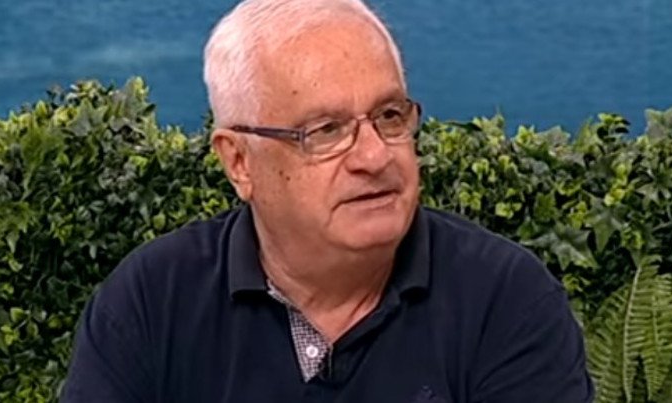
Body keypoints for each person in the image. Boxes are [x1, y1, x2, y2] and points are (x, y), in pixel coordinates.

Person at [61, 0, 595, 401]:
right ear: (239, 162)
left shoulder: (506, 301)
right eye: (325, 131)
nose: (374, 156)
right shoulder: (151, 303)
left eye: (389, 116)